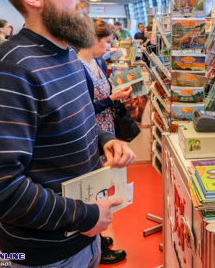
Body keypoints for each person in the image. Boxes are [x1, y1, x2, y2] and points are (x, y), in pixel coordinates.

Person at [0, 0, 136, 267]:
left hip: (81, 242)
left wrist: (105, 140)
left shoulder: (68, 56)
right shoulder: (12, 68)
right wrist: (84, 215)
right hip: (44, 255)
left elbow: (69, 120)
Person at [77, 17, 133, 265]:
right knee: (94, 190)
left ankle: (99, 238)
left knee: (102, 182)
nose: (109, 48)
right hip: (92, 132)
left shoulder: (97, 62)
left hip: (105, 130)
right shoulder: (78, 68)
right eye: (107, 42)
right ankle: (97, 241)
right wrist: (111, 99)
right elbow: (83, 109)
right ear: (92, 39)